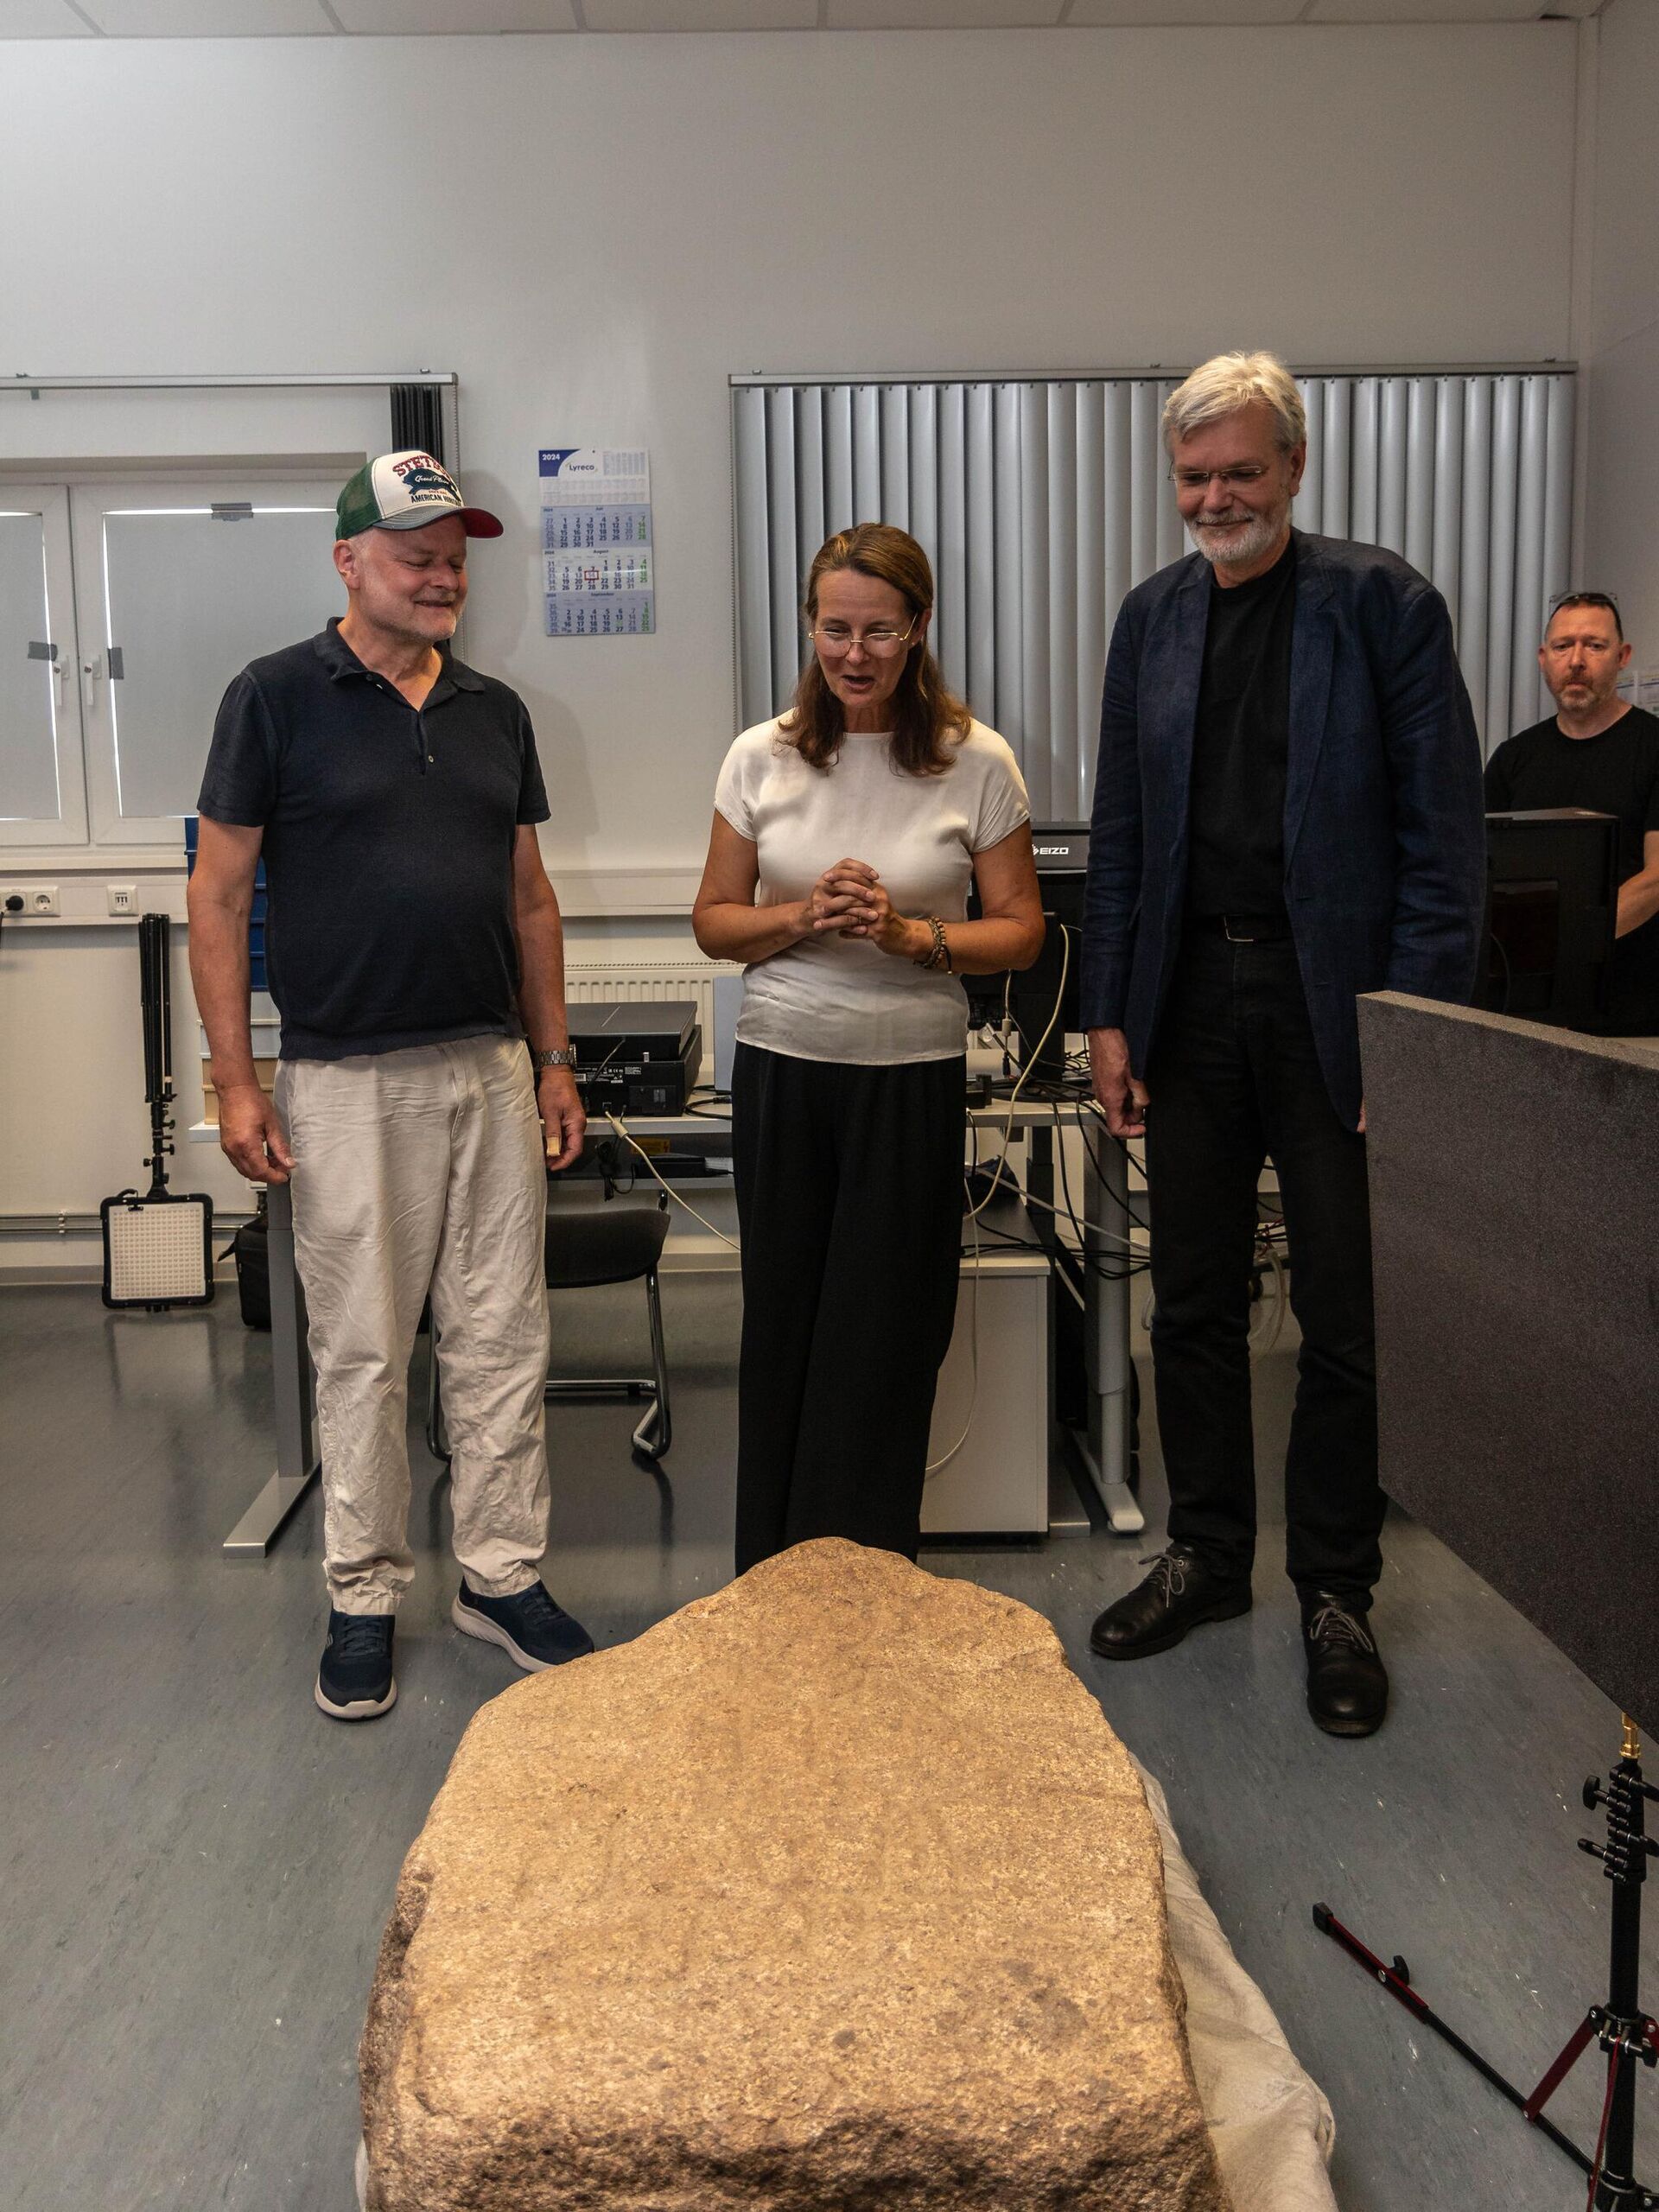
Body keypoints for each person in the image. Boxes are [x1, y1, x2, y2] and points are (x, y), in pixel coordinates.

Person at [1082, 353, 1486, 1738]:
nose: (1216, 499)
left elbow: (1446, 841)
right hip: (1191, 1002)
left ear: (1295, 468)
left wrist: (1412, 1035)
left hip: (1338, 1010)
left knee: (1343, 1314)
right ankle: (1205, 1553)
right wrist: (1111, 1014)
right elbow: (1125, 836)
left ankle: (1335, 1588)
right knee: (1187, 1298)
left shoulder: (1384, 607)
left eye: (1241, 472)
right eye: (1194, 477)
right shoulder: (1151, 621)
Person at [188, 449, 594, 1723]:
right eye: (415, 553)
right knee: (362, 1351)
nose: (442, 574)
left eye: (455, 554)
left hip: (486, 1070)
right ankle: (362, 1593)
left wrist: (555, 1056)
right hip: (346, 1079)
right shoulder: (272, 699)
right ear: (349, 562)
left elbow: (530, 898)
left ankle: (500, 1575)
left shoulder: (494, 711)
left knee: (500, 1337)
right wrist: (235, 1081)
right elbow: (217, 893)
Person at [693, 524, 1045, 1574]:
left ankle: (870, 1583)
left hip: (910, 1080)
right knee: (788, 1328)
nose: (854, 653)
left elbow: (1021, 929)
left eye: (879, 630)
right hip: (786, 1072)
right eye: (835, 628)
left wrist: (909, 936)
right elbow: (715, 920)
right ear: (810, 626)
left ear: (919, 629)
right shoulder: (759, 756)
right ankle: (775, 1576)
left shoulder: (975, 760)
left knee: (885, 1340)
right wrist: (807, 916)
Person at [1484, 592, 1659, 1035]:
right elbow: (1481, 871)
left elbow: (1657, 879)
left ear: (1622, 657)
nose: (1577, 660)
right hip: (1527, 1009)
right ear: (1544, 659)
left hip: (1635, 1011)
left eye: (1594, 646)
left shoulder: (1653, 747)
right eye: (1563, 646)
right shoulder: (1512, 759)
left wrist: (1566, 942)